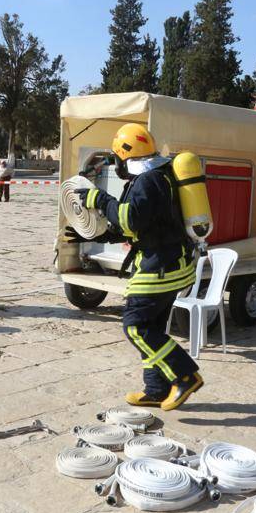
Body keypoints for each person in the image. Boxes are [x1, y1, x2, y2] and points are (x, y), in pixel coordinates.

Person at [71, 124, 204, 411]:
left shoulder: (147, 181)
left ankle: (184, 375)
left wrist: (99, 198)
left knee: (136, 326)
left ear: (124, 157)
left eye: (116, 158)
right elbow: (139, 226)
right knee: (153, 326)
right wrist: (95, 233)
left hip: (160, 267)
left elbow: (130, 220)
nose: (115, 164)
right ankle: (156, 388)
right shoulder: (159, 176)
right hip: (172, 264)